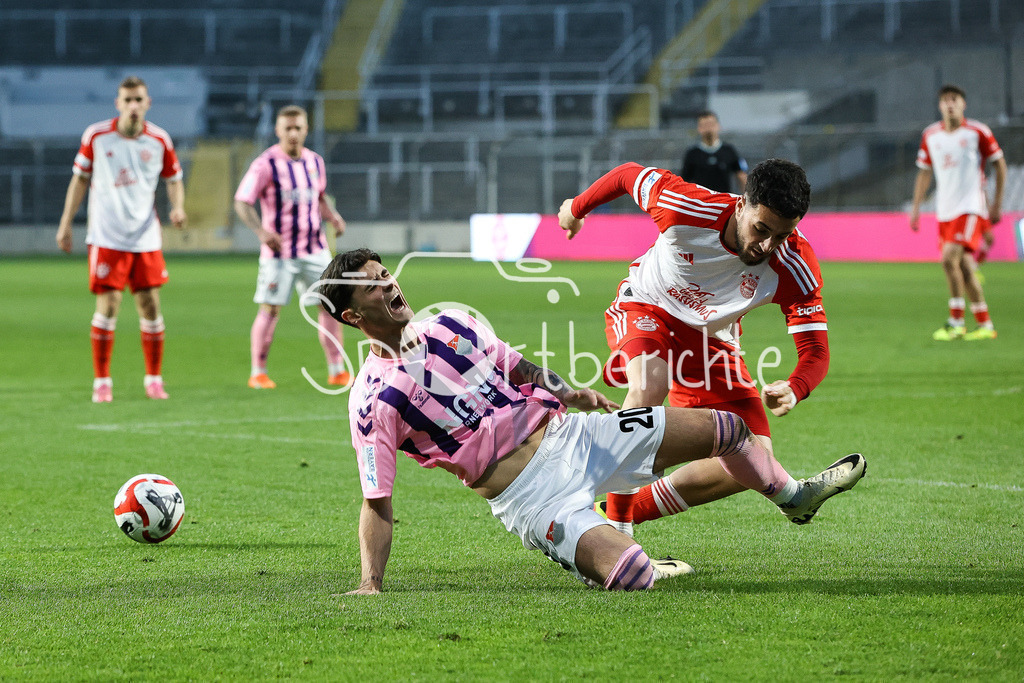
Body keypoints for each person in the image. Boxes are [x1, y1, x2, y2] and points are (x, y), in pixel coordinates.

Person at [316, 248, 865, 593]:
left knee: (730, 429)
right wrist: (371, 584)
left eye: (386, 274)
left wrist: (569, 392)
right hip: (532, 498)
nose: (391, 285)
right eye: (374, 285)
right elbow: (376, 500)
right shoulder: (372, 401)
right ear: (352, 315)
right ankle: (589, 550)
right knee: (635, 578)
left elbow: (517, 366)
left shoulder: (450, 323)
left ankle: (792, 498)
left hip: (574, 436)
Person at [559, 158, 843, 536]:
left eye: (782, 234)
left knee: (754, 461)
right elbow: (628, 174)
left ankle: (607, 511)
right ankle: (618, 533)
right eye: (761, 229)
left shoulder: (794, 264)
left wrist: (795, 386)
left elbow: (816, 352)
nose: (767, 245)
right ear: (741, 205)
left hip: (711, 339)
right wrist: (576, 209)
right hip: (647, 306)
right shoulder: (684, 206)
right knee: (649, 385)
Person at [55, 75, 187, 403]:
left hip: (145, 237)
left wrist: (178, 207)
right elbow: (80, 180)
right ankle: (102, 381)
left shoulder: (159, 140)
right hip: (106, 236)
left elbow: (174, 179)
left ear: (147, 103)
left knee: (150, 305)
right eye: (127, 100)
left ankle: (154, 379)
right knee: (109, 305)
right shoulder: (97, 136)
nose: (133, 106)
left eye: (138, 99)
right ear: (118, 104)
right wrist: (66, 224)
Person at [234, 104, 350, 389]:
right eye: (288, 128)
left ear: (306, 129)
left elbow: (319, 197)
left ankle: (336, 370)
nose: (294, 133)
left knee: (331, 305)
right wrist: (261, 231)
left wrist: (332, 216)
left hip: (315, 249)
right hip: (279, 254)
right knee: (271, 309)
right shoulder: (266, 164)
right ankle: (258, 372)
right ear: (278, 131)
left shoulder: (315, 162)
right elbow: (242, 201)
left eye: (298, 127)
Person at [910, 84, 1006, 341]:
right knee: (964, 268)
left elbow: (1000, 164)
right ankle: (985, 325)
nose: (950, 104)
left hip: (970, 207)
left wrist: (996, 204)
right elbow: (924, 171)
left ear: (964, 104)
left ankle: (955, 322)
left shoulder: (977, 132)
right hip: (945, 211)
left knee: (948, 259)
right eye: (945, 100)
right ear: (940, 106)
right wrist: (917, 207)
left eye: (955, 99)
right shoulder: (930, 135)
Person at [680, 111, 748, 193]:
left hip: (725, 201)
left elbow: (741, 175)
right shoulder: (692, 154)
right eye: (704, 125)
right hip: (702, 202)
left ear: (718, 126)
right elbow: (684, 181)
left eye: (711, 124)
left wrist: (746, 199)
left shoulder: (728, 150)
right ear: (699, 128)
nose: (708, 129)